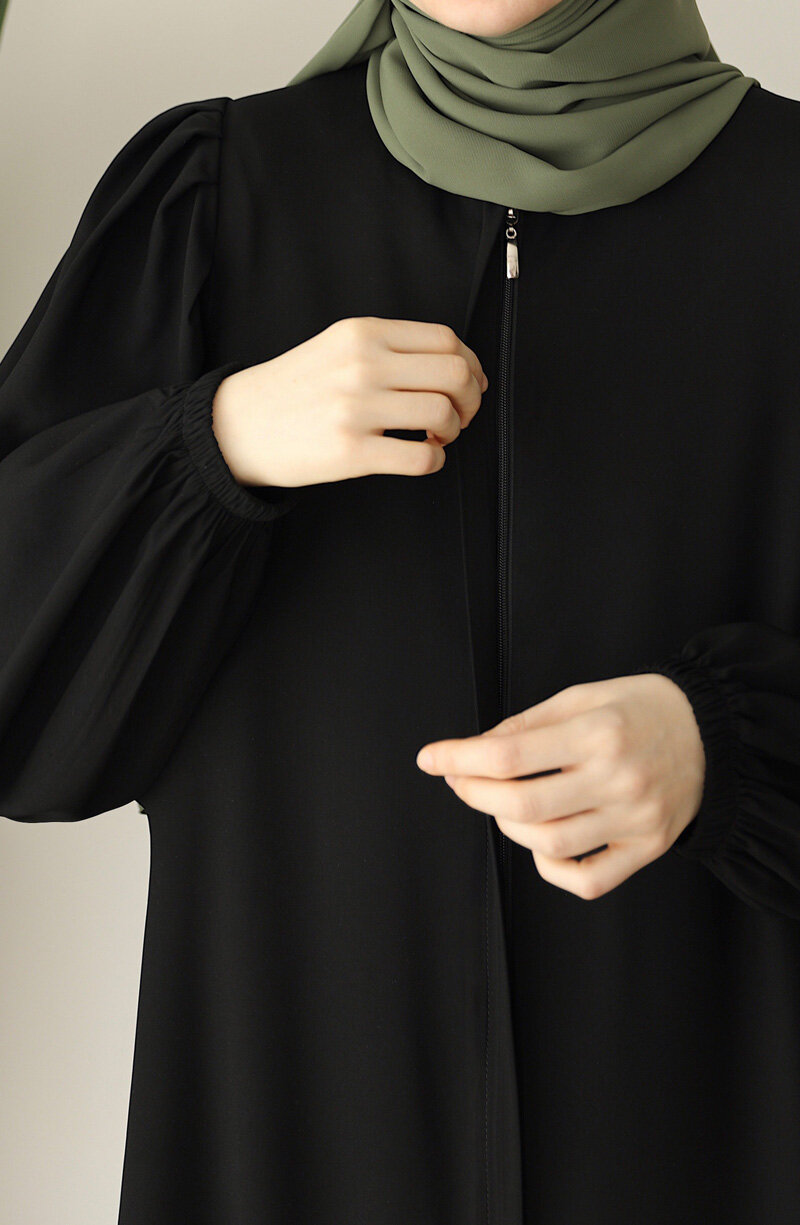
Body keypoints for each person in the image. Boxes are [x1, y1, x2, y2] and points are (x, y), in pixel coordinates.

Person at [1, 0, 799, 1221]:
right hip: (300, 1128)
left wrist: (724, 745)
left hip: (703, 1120)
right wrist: (210, 444)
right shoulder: (213, 202)